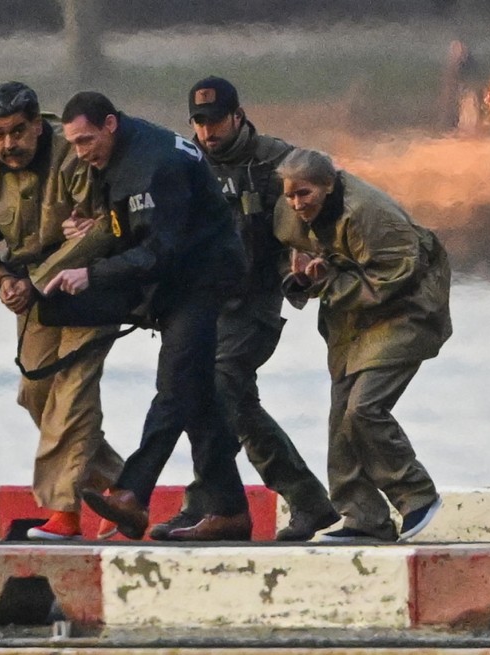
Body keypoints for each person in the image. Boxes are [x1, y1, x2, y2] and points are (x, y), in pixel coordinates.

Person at [45, 91, 252, 541]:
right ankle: (231, 510)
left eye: (85, 141)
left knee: (174, 385)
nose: (80, 153)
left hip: (203, 278)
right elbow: (128, 228)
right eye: (74, 145)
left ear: (110, 125)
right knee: (197, 399)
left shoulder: (158, 163)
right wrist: (90, 232)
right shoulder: (113, 159)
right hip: (174, 282)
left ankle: (132, 494)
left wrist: (93, 273)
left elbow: (162, 250)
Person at [157, 76, 338, 542]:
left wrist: (303, 259)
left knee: (220, 386)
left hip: (254, 299)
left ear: (238, 115)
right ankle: (212, 502)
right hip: (203, 302)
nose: (207, 131)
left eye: (215, 120)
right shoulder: (185, 162)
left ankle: (283, 499)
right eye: (198, 122)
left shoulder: (278, 162)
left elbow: (322, 209)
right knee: (203, 394)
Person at [0, 81, 124, 541]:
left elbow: (102, 231)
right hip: (28, 294)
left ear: (37, 124)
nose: (8, 144)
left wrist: (36, 279)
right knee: (37, 393)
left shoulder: (73, 155)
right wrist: (0, 278)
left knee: (74, 393)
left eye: (17, 132)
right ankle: (123, 487)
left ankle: (63, 515)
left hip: (88, 286)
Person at [274, 148, 452, 543]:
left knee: (365, 407)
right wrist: (302, 277)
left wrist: (329, 280)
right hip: (351, 315)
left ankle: (417, 495)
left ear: (328, 185)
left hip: (408, 307)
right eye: (289, 195)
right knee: (341, 414)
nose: (296, 204)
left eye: (305, 194)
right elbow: (291, 254)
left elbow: (397, 275)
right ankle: (364, 517)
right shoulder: (288, 212)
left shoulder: (370, 213)